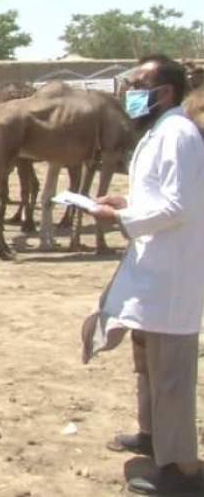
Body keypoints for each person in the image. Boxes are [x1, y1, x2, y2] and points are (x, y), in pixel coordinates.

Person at [84, 56, 204, 495]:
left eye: (138, 84)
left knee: (170, 374)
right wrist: (123, 200)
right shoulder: (159, 132)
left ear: (165, 92)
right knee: (146, 361)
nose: (130, 92)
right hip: (151, 266)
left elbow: (179, 206)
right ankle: (154, 438)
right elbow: (158, 195)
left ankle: (183, 471)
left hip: (171, 274)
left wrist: (117, 218)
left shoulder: (178, 134)